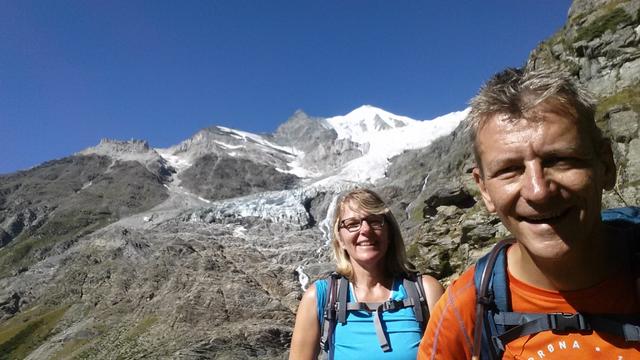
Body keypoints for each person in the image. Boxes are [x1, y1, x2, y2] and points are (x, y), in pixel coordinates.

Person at [417, 66, 640, 359]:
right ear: (484, 190)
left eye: (560, 160)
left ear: (606, 165)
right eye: (509, 170)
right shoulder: (466, 310)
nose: (538, 190)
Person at [290, 188, 444, 359]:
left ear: (389, 233)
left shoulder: (427, 292)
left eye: (375, 221)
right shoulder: (319, 298)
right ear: (340, 239)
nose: (365, 230)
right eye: (352, 224)